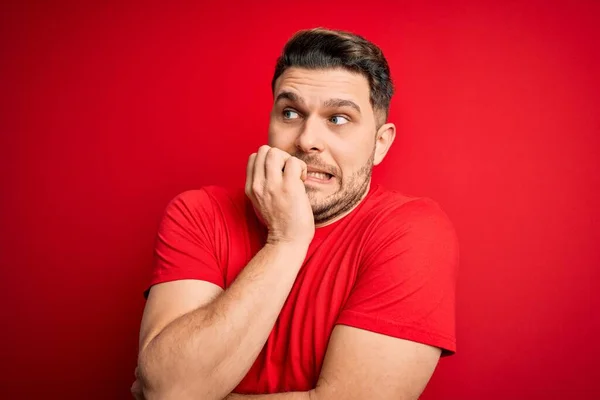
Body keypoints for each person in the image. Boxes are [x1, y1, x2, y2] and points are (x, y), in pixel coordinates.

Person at [131, 27, 459, 400]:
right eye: (291, 113)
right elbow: (169, 389)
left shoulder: (412, 231)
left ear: (380, 143)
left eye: (338, 118)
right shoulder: (199, 214)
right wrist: (286, 242)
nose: (306, 140)